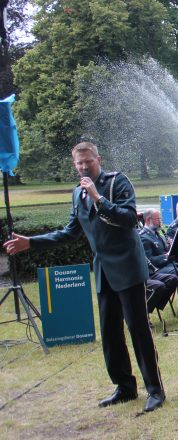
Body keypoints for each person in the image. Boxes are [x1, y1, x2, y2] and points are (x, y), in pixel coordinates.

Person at [3, 142, 165, 412]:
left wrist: (98, 198)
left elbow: (128, 219)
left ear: (98, 159)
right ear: (74, 164)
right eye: (79, 163)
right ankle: (124, 387)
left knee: (138, 330)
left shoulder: (117, 182)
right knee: (110, 333)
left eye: (88, 160)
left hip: (127, 267)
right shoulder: (77, 194)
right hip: (103, 270)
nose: (83, 166)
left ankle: (155, 391)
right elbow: (69, 232)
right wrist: (30, 242)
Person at [139, 209, 178, 317]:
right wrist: (165, 256)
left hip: (168, 264)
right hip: (157, 268)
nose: (160, 221)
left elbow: (166, 251)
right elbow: (149, 260)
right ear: (148, 220)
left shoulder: (158, 233)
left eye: (160, 219)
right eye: (158, 219)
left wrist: (171, 246)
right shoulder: (144, 237)